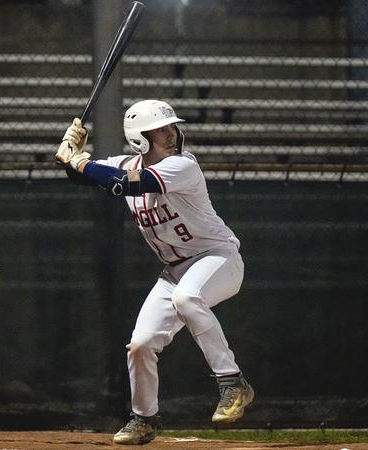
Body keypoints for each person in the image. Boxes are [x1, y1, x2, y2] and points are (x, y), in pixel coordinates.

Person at [55, 100, 254, 445]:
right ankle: (144, 418)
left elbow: (125, 183)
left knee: (187, 298)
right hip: (176, 270)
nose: (170, 134)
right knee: (141, 345)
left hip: (217, 258)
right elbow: (87, 176)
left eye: (171, 127)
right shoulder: (125, 163)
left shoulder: (182, 166)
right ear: (139, 140)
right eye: (160, 130)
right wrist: (69, 152)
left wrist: (77, 160)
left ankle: (232, 382)